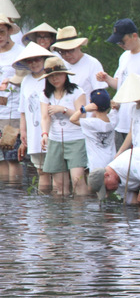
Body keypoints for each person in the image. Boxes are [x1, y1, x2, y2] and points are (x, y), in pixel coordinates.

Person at [97, 18, 140, 149]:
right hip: (122, 122)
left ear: (134, 36)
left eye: (122, 41)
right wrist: (107, 78)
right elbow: (121, 85)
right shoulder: (124, 57)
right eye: (117, 42)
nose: (120, 45)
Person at [39, 56, 88, 196]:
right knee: (59, 184)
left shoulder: (77, 91)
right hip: (55, 139)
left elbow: (83, 116)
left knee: (77, 179)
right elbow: (45, 117)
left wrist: (64, 109)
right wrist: (44, 134)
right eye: (51, 76)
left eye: (58, 74)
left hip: (76, 138)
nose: (55, 79)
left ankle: (79, 213)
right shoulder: (46, 95)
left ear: (65, 75)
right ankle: (60, 215)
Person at [14, 42, 51, 190]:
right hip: (33, 131)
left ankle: (58, 208)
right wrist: (23, 132)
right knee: (41, 170)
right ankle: (43, 206)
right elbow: (22, 110)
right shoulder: (26, 80)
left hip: (49, 130)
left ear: (43, 59)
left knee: (56, 170)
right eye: (30, 60)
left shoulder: (51, 78)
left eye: (37, 59)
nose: (34, 63)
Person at [0, 14, 25, 180]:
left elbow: (26, 80)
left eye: (1, 32)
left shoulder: (20, 53)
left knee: (12, 158)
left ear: (9, 31)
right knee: (1, 160)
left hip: (12, 114)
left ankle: (15, 199)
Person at [51, 26, 107, 98]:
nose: (67, 55)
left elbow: (101, 96)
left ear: (79, 46)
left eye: (71, 50)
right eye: (62, 52)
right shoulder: (61, 65)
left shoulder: (92, 64)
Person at [69, 88, 117, 170]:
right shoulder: (113, 119)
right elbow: (115, 110)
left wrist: (83, 110)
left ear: (92, 105)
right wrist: (114, 106)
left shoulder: (90, 123)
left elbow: (72, 119)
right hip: (112, 163)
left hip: (96, 165)